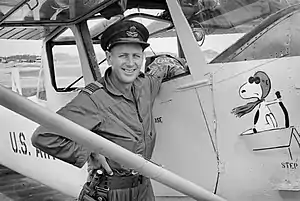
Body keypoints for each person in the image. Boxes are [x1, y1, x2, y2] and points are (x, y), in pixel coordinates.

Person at [31, 19, 185, 201]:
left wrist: (173, 64)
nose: (131, 63)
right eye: (123, 56)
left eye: (136, 56)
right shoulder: (93, 99)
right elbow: (44, 136)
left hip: (144, 189)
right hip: (110, 192)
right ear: (109, 57)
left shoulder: (145, 85)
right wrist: (89, 151)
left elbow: (159, 70)